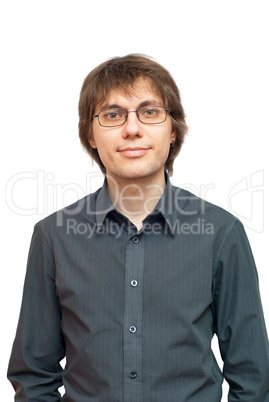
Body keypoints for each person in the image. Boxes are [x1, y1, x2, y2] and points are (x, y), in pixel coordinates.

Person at [8, 54, 269, 401]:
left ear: (173, 130)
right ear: (91, 135)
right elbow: (33, 375)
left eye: (150, 112)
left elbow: (253, 380)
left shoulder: (221, 232)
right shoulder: (53, 236)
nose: (132, 128)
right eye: (113, 114)